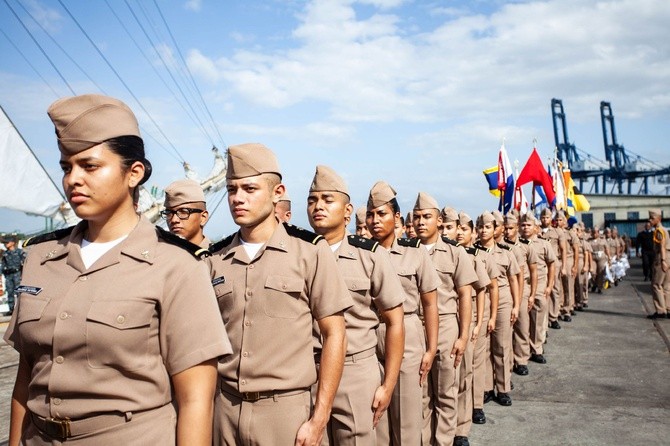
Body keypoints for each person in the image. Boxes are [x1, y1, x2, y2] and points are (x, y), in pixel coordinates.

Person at [4, 94, 232, 446]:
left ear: (134, 173)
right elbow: (26, 374)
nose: (73, 180)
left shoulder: (175, 266)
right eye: (67, 167)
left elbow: (195, 399)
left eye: (90, 166)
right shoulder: (41, 258)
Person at [208, 143, 352, 446]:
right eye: (232, 189)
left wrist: (319, 417)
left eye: (249, 188)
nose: (238, 198)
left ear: (277, 192)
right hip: (225, 411)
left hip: (286, 413)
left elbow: (334, 334)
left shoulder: (309, 252)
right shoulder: (214, 259)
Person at [306, 165, 405, 445]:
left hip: (355, 373)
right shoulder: (298, 255)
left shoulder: (370, 257)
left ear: (348, 211)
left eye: (328, 200)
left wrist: (388, 384)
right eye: (312, 200)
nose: (318, 207)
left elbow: (395, 321)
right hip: (307, 372)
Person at [365, 181, 440, 446]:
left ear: (396, 217)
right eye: (370, 214)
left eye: (382, 214)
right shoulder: (360, 254)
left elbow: (430, 303)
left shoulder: (414, 252)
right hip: (370, 338)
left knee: (407, 419)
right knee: (376, 418)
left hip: (408, 337)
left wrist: (430, 349)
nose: (375, 220)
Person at [413, 194, 475, 446]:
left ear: (439, 221)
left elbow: (465, 295)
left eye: (427, 217)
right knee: (421, 394)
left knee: (446, 391)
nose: (420, 222)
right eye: (416, 217)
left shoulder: (454, 253)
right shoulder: (406, 251)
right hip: (417, 326)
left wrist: (463, 336)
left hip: (447, 324)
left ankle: (445, 441)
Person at [455, 211, 498, 433]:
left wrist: (480, 321)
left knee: (475, 363)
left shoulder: (476, 257)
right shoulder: (448, 254)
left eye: (464, 229)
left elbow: (484, 290)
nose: (459, 233)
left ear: (472, 233)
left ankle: (477, 405)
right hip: (453, 316)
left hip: (472, 316)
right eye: (457, 228)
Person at [475, 211, 519, 407]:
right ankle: (486, 388)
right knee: (483, 348)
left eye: (488, 227)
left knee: (501, 346)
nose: (484, 230)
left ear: (495, 230)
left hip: (502, 301)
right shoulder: (472, 252)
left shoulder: (505, 252)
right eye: (481, 227)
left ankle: (502, 388)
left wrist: (516, 305)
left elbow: (514, 280)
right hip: (481, 300)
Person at [504, 213, 538, 376]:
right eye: (505, 228)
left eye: (510, 228)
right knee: (506, 328)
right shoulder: (500, 247)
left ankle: (521, 360)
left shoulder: (525, 247)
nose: (507, 232)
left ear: (516, 228)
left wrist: (531, 294)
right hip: (505, 289)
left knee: (522, 326)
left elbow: (532, 272)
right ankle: (508, 362)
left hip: (522, 288)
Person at [519, 213, 555, 364]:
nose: (526, 228)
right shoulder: (516, 244)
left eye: (529, 225)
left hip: (539, 284)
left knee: (538, 318)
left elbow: (551, 263)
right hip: (522, 284)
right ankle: (523, 351)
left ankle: (537, 349)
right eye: (523, 225)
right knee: (522, 320)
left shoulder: (544, 244)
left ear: (535, 227)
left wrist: (549, 285)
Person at [539, 208, 567, 330]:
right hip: (540, 264)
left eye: (547, 217)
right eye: (543, 217)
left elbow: (563, 249)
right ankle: (543, 318)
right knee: (542, 291)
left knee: (554, 290)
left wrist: (564, 266)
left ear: (551, 218)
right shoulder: (537, 230)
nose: (545, 220)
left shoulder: (557, 232)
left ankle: (553, 317)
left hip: (554, 263)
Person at [162, 179, 211, 248]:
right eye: (169, 213)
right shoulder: (161, 257)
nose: (174, 220)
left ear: (203, 218)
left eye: (183, 212)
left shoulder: (217, 257)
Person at [648, 209, 670, 319]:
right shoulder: (665, 230)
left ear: (659, 219)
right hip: (668, 256)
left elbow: (661, 246)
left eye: (652, 218)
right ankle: (668, 308)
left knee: (656, 284)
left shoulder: (658, 231)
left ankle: (661, 311)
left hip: (662, 257)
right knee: (666, 285)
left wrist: (663, 261)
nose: (650, 220)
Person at [1, 235, 26, 315]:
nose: (5, 244)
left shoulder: (20, 252)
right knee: (10, 292)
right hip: (8, 275)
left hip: (17, 274)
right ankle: (11, 310)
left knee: (19, 292)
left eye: (7, 242)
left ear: (12, 243)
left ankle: (21, 310)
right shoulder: (5, 254)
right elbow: (3, 265)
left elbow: (25, 263)